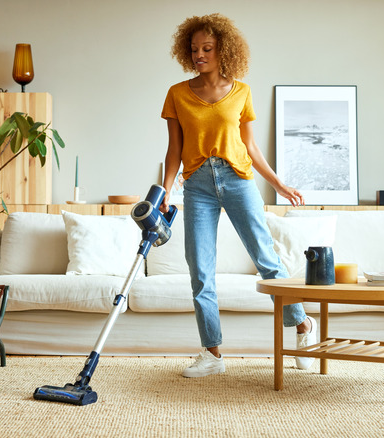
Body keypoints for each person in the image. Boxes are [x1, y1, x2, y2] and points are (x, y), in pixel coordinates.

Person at [160, 13, 318, 378]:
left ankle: (302, 326)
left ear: (223, 50)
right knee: (200, 269)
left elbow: (250, 146)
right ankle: (212, 353)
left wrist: (278, 184)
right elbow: (173, 149)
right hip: (197, 184)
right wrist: (165, 192)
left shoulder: (242, 92)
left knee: (266, 258)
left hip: (238, 179)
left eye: (208, 48)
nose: (200, 55)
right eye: (195, 49)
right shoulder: (177, 94)